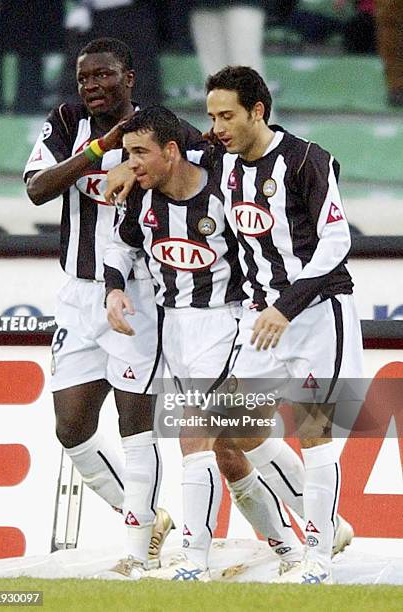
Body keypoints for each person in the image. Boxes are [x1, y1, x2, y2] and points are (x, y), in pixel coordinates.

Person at [104, 105, 304, 580]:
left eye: (139, 153)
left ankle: (192, 562)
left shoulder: (223, 186)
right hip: (174, 327)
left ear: (171, 151)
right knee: (233, 449)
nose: (131, 164)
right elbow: (121, 244)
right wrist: (114, 287)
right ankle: (299, 545)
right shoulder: (142, 196)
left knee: (192, 435)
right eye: (127, 154)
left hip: (227, 323)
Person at [23, 37, 203, 567]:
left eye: (104, 76)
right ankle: (145, 514)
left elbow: (204, 167)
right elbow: (36, 189)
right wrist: (101, 152)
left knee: (135, 424)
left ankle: (139, 544)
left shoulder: (160, 127)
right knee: (71, 428)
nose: (92, 87)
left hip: (137, 292)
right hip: (78, 293)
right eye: (84, 78)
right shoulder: (66, 122)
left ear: (129, 78)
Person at [205, 65, 364, 584]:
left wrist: (287, 305)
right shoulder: (226, 163)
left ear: (258, 111)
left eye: (227, 115)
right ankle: (329, 526)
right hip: (261, 319)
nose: (217, 126)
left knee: (315, 434)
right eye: (211, 116)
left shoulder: (307, 160)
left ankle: (316, 561)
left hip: (316, 314)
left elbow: (336, 242)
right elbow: (170, 142)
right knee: (232, 432)